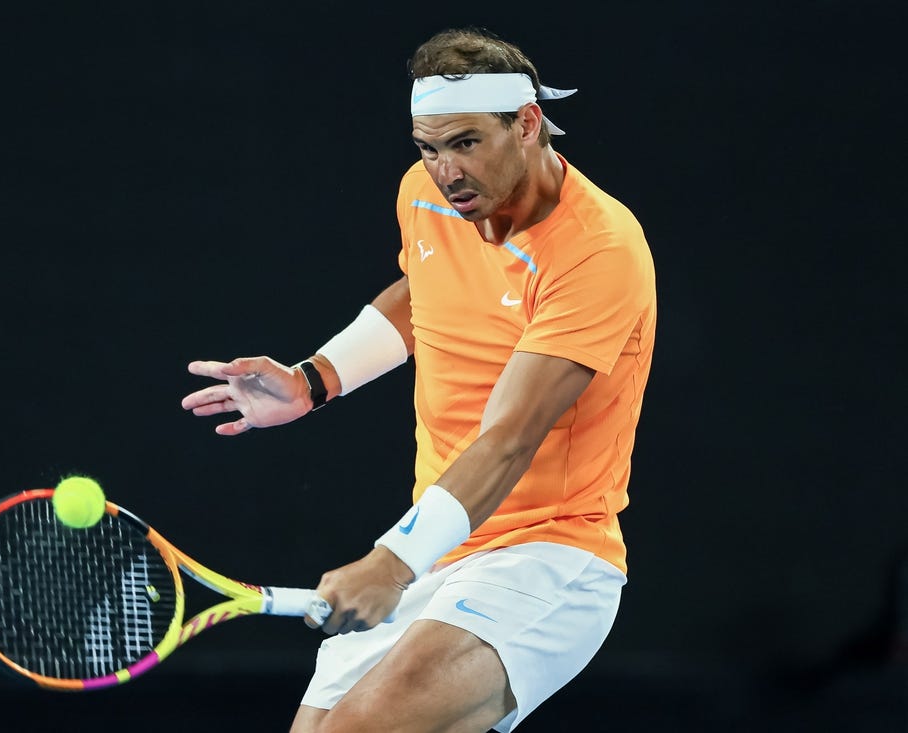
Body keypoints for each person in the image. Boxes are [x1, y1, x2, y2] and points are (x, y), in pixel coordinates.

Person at [181, 26, 656, 733]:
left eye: (466, 142)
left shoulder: (598, 251)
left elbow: (510, 438)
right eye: (427, 147)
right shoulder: (428, 197)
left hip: (549, 556)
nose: (445, 170)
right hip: (442, 545)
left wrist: (391, 562)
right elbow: (425, 286)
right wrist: (314, 379)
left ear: (526, 124)